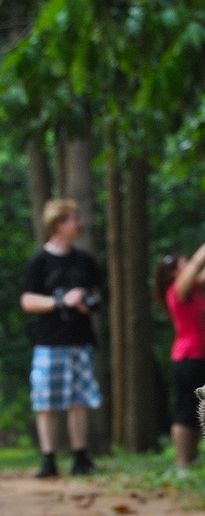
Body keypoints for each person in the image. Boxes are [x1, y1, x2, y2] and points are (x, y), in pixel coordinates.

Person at [20, 198, 103, 478]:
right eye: (73, 219)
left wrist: (86, 301)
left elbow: (100, 293)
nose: (79, 224)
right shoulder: (39, 261)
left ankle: (81, 456)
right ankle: (48, 459)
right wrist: (61, 301)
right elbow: (28, 301)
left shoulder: (84, 261)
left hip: (80, 340)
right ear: (58, 225)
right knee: (46, 401)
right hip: (48, 341)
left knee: (79, 399)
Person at [153, 221, 205, 473]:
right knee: (186, 408)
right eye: (183, 263)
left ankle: (193, 458)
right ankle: (181, 463)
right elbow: (199, 264)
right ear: (175, 273)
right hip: (187, 357)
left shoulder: (196, 289)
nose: (189, 264)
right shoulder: (178, 291)